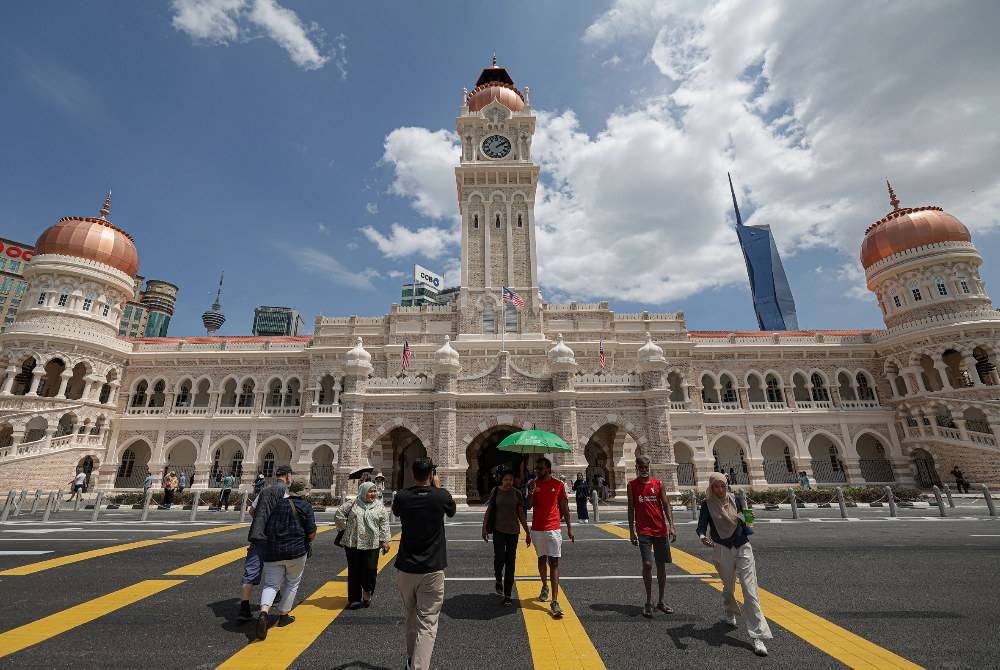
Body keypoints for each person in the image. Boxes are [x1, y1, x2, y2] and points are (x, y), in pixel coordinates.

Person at [697, 472, 772, 657]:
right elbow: (701, 526)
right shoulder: (707, 505)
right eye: (716, 486)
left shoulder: (736, 499)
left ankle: (757, 636)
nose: (720, 489)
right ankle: (729, 612)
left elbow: (743, 519)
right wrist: (702, 537)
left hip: (742, 545)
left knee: (750, 590)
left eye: (722, 486)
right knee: (729, 588)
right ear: (711, 487)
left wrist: (749, 518)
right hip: (721, 548)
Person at [392, 458, 456, 670]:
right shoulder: (441, 496)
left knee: (411, 615)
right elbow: (451, 510)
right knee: (427, 622)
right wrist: (436, 487)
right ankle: (418, 667)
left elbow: (397, 511)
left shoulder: (402, 497)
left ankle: (411, 659)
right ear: (431, 474)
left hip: (406, 567)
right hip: (432, 568)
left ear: (412, 474)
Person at [255, 467, 316, 640]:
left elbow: (266, 524)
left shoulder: (278, 504)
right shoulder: (305, 506)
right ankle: (283, 616)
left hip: (273, 550)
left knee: (270, 584)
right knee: (292, 583)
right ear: (304, 492)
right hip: (296, 551)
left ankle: (264, 613)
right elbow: (311, 532)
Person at [627, 455, 677, 618]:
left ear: (649, 467)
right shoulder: (632, 486)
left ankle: (661, 601)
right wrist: (631, 531)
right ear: (637, 468)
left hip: (660, 530)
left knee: (661, 565)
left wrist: (672, 525)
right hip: (643, 531)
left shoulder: (658, 484)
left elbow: (666, 505)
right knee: (648, 564)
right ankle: (649, 601)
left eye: (646, 467)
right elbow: (631, 509)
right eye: (640, 467)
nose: (643, 469)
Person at [526, 456, 574, 619]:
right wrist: (531, 493)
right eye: (536, 469)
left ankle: (554, 600)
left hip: (553, 528)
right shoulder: (532, 484)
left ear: (548, 469)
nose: (537, 471)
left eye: (540, 469)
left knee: (554, 562)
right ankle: (544, 585)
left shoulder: (558, 485)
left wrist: (569, 527)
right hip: (537, 528)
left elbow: (564, 508)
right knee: (541, 559)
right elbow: (528, 506)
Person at [335, 481, 391, 609]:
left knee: (370, 570)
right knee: (354, 571)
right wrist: (346, 528)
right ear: (363, 492)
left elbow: (384, 525)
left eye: (374, 491)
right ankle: (354, 599)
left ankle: (367, 591)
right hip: (353, 543)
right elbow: (339, 515)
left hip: (372, 544)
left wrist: (385, 541)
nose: (372, 494)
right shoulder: (353, 503)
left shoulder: (379, 506)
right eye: (370, 491)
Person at [481, 469, 530, 605]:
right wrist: (484, 527)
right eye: (506, 479)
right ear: (501, 480)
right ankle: (498, 578)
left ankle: (508, 594)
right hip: (498, 530)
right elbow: (489, 509)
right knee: (500, 559)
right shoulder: (496, 491)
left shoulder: (517, 493)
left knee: (510, 562)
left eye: (511, 479)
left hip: (513, 532)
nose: (508, 482)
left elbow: (521, 514)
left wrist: (527, 532)